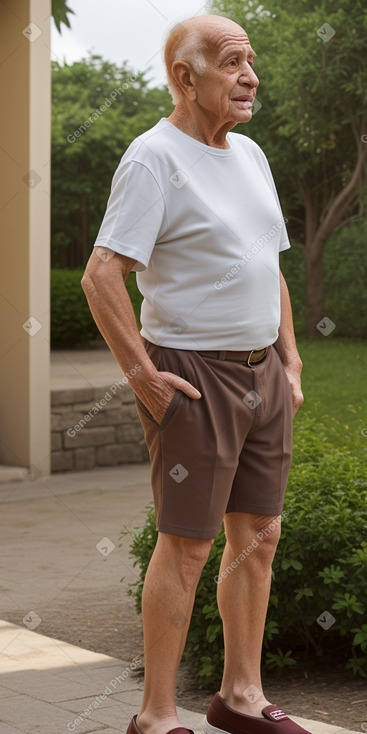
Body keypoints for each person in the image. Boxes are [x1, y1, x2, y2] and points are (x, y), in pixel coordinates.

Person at [81, 13, 310, 734]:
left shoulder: (249, 156)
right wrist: (142, 375)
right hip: (191, 375)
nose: (250, 77)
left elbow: (266, 263)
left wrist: (291, 359)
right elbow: (101, 274)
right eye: (232, 63)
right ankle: (154, 716)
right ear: (186, 76)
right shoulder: (153, 157)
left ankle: (239, 696)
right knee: (186, 548)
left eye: (251, 63)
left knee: (258, 538)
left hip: (262, 372)